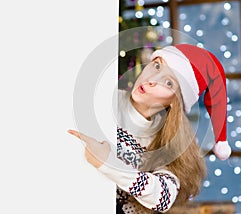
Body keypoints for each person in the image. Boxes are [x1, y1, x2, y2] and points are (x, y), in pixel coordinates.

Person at [68, 44, 231, 213]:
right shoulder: (104, 98)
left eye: (168, 82)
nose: (152, 79)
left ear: (175, 102)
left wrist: (108, 163)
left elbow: (164, 196)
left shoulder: (165, 141)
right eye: (157, 65)